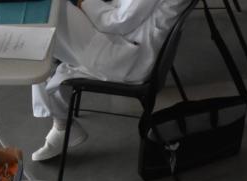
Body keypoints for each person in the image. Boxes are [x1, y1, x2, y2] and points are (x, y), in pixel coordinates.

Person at [31, 0, 192, 162]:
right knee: (52, 21)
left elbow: (119, 21)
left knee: (53, 10)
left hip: (123, 55)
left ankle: (62, 124)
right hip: (127, 42)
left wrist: (83, 3)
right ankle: (61, 124)